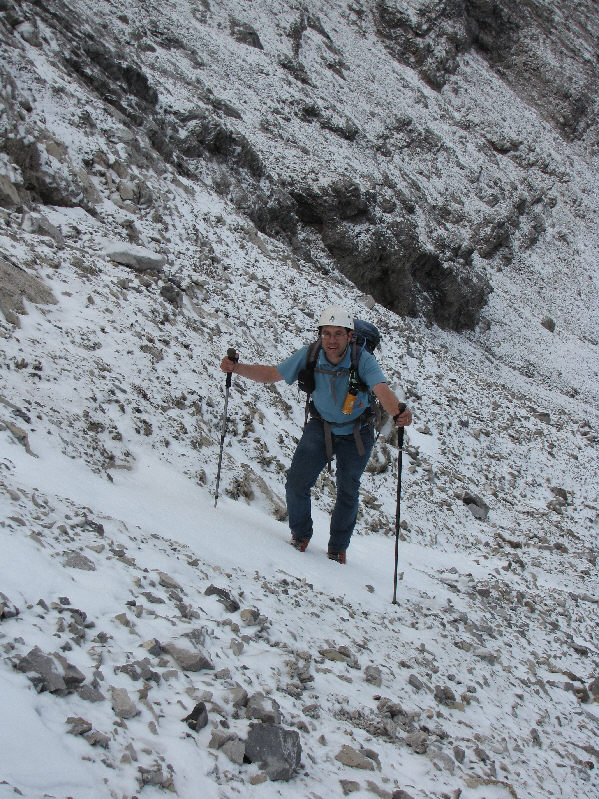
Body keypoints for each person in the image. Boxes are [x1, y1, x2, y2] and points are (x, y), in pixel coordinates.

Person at [220, 305, 412, 564]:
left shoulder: (363, 360)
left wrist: (398, 413)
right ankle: (300, 534)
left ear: (349, 336)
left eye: (338, 334)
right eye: (327, 334)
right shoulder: (310, 354)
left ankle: (337, 548)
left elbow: (381, 390)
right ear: (320, 335)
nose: (332, 340)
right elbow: (272, 374)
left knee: (347, 490)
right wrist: (237, 368)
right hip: (320, 427)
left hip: (358, 431)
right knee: (297, 484)